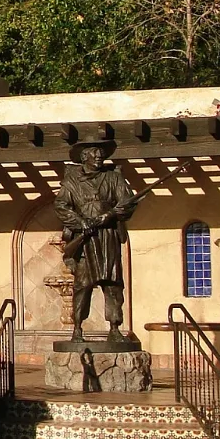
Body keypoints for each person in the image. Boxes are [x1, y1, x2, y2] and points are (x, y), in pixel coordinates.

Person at [54, 140, 143, 343]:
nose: (99, 156)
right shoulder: (71, 183)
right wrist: (81, 223)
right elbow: (61, 206)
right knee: (82, 285)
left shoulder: (114, 178)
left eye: (101, 153)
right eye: (94, 153)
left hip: (108, 236)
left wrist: (109, 215)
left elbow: (127, 203)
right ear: (84, 157)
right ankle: (77, 328)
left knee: (113, 284)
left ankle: (114, 327)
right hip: (86, 239)